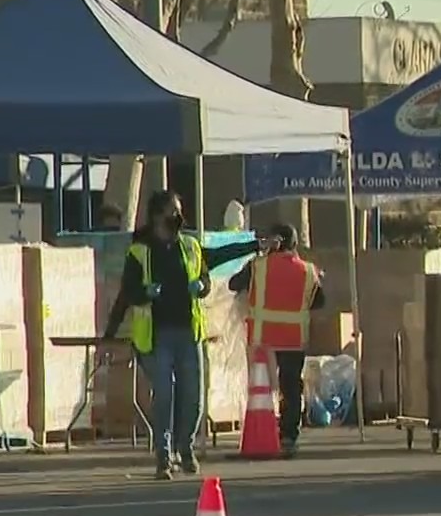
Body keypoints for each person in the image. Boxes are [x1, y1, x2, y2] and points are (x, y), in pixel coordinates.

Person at [102, 189, 262, 480]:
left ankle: (184, 447)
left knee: (194, 398)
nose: (178, 217)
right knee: (165, 393)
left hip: (189, 334)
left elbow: (208, 269)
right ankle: (164, 456)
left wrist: (203, 285)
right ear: (156, 216)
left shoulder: (190, 246)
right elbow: (127, 295)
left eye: (179, 211)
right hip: (157, 336)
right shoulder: (140, 251)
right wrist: (111, 333)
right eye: (172, 212)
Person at [229, 222, 326, 458]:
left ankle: (262, 433)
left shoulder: (257, 267)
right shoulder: (309, 271)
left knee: (262, 391)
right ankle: (289, 436)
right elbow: (319, 301)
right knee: (291, 388)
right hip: (294, 339)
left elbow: (234, 285)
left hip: (263, 340)